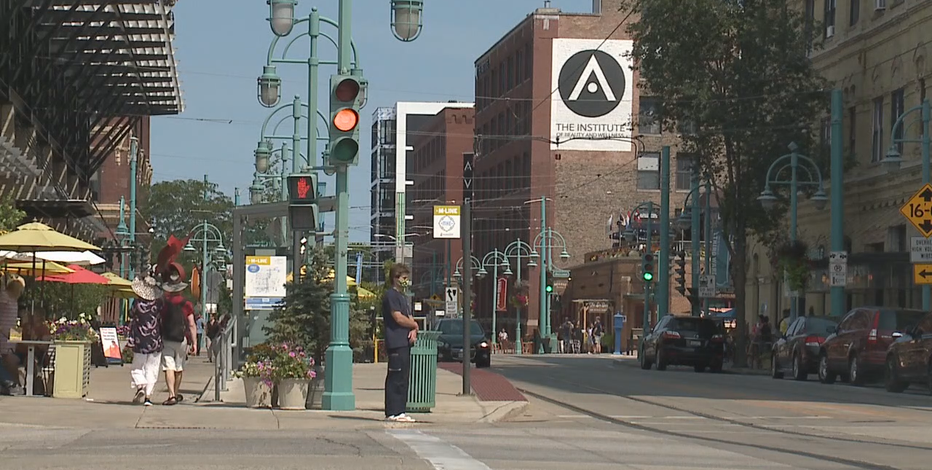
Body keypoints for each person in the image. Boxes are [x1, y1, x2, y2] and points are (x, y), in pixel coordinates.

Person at [382, 263, 418, 423]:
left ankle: (401, 410)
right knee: (395, 376)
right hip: (395, 341)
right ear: (395, 278)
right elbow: (398, 317)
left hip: (405, 342)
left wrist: (414, 329)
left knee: (404, 376)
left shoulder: (403, 297)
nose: (406, 281)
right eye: (404, 278)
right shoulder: (391, 295)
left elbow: (409, 317)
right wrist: (414, 325)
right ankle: (392, 411)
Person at [158, 262, 197, 406]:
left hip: (167, 338)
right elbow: (192, 324)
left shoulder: (163, 303)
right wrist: (194, 343)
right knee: (179, 366)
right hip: (182, 339)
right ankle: (176, 390)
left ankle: (171, 395)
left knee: (169, 366)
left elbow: (159, 320)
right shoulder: (186, 304)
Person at [127, 274, 163, 406]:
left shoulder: (137, 303)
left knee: (137, 367)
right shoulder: (158, 303)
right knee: (152, 368)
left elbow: (131, 314)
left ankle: (140, 386)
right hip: (155, 339)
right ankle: (148, 397)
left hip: (140, 339)